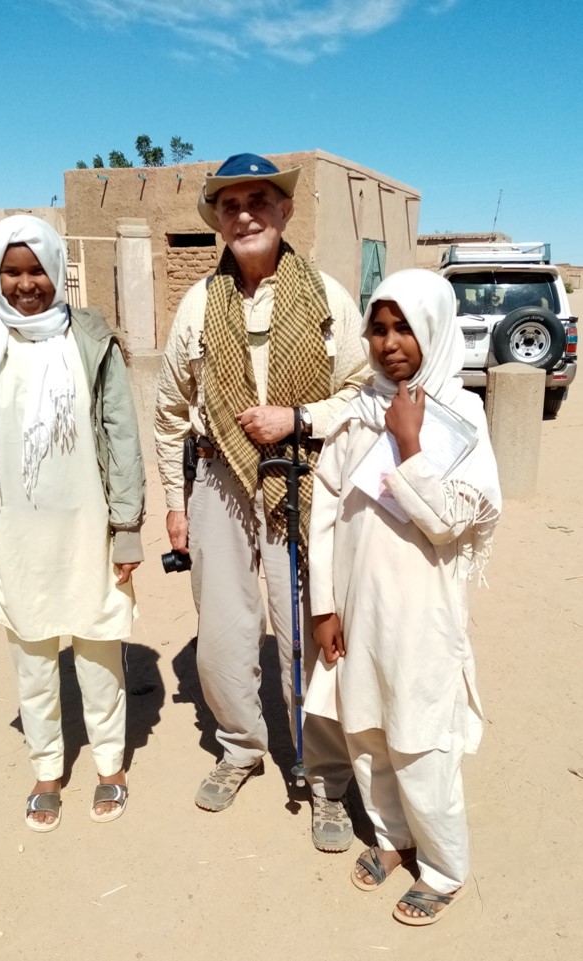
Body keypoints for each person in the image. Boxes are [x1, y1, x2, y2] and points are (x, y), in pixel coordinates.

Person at [154, 153, 368, 851]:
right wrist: (175, 502)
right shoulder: (197, 305)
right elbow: (167, 414)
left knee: (309, 624)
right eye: (229, 204)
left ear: (284, 212)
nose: (244, 213)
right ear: (217, 220)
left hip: (301, 480)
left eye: (258, 201)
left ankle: (324, 775)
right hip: (218, 480)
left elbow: (365, 392)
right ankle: (241, 746)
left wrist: (298, 416)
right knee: (220, 629)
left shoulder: (327, 298)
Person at [0, 215, 145, 833]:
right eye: (12, 271)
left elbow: (119, 433)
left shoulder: (88, 338)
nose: (25, 285)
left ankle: (110, 767)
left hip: (88, 527)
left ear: (56, 270)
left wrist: (126, 525)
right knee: (32, 661)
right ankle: (47, 770)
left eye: (36, 271)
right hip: (16, 532)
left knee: (98, 653)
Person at [308, 268, 501, 923]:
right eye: (379, 328)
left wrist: (413, 441)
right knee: (366, 729)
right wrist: (324, 605)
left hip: (423, 615)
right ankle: (393, 836)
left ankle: (444, 866)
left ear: (435, 330)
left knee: (420, 740)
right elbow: (327, 504)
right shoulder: (360, 411)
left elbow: (450, 519)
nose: (390, 343)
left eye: (406, 328)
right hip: (359, 610)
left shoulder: (462, 416)